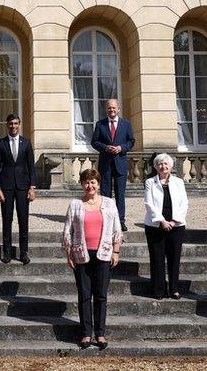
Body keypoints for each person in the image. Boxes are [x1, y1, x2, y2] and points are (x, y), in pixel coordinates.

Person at [62, 169, 122, 350]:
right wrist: (69, 254)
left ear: (98, 184)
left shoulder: (109, 203)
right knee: (85, 295)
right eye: (87, 182)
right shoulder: (74, 205)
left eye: (93, 182)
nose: (90, 186)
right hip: (81, 254)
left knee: (101, 295)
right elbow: (67, 231)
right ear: (82, 184)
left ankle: (100, 334)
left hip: (103, 253)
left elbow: (116, 229)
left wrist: (116, 252)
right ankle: (86, 333)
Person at [143, 153, 188, 300]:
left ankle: (174, 288)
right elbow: (148, 203)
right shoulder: (150, 182)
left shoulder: (179, 182)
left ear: (170, 166)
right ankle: (158, 289)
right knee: (157, 258)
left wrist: (175, 221)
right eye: (160, 164)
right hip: (155, 226)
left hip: (176, 225)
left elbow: (184, 203)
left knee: (174, 258)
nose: (163, 166)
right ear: (156, 167)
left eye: (165, 164)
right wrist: (161, 221)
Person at [0, 113, 37, 264]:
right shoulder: (1, 143)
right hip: (6, 187)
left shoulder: (26, 143)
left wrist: (32, 187)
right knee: (7, 220)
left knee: (23, 220)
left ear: (19, 125)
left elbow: (31, 166)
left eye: (16, 123)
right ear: (7, 125)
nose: (13, 126)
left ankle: (24, 253)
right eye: (11, 123)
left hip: (23, 187)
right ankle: (7, 252)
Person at [90, 99, 135, 231]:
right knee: (105, 195)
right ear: (106, 109)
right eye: (109, 108)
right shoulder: (100, 124)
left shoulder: (126, 124)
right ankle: (105, 220)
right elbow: (94, 142)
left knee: (120, 195)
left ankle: (120, 221)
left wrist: (121, 148)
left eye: (114, 108)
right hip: (105, 165)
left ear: (118, 109)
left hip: (120, 163)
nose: (112, 110)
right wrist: (105, 147)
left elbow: (131, 142)